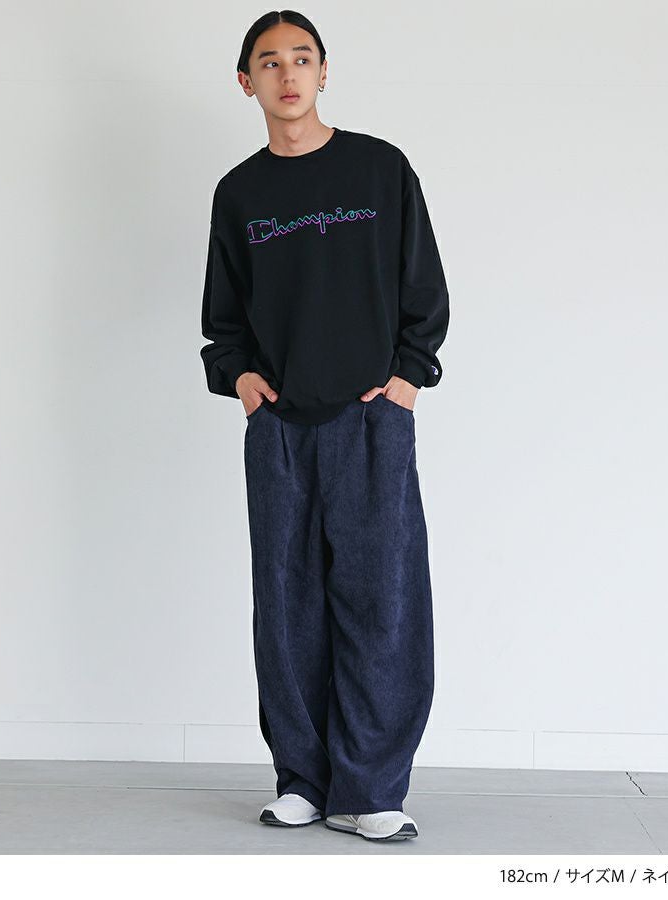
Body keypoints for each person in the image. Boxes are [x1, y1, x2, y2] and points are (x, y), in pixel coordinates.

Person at [200, 10, 449, 843]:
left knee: (382, 602)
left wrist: (408, 377)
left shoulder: (380, 170)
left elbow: (424, 286)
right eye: (270, 62)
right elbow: (223, 314)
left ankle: (370, 788)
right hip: (278, 426)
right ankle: (303, 780)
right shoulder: (240, 193)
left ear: (324, 71)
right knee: (287, 604)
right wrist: (241, 380)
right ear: (247, 82)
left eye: (302, 58)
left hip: (372, 418)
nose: (288, 74)